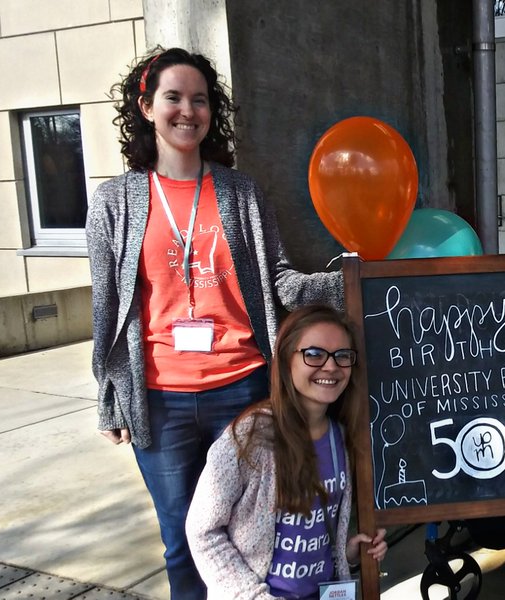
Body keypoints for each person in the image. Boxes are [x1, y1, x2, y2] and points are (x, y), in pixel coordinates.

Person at [86, 47, 342, 600]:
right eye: (173, 98)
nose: (187, 111)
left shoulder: (239, 193)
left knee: (256, 533)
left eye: (199, 100)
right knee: (184, 540)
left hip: (245, 390)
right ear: (147, 106)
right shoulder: (114, 202)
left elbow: (279, 281)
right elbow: (106, 308)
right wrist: (110, 394)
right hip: (161, 400)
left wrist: (345, 282)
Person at [186, 304, 388, 599]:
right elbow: (203, 531)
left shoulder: (340, 439)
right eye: (314, 354)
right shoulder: (249, 437)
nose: (331, 366)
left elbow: (315, 533)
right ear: (285, 360)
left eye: (342, 356)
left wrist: (347, 554)